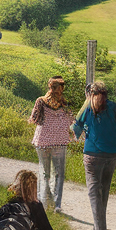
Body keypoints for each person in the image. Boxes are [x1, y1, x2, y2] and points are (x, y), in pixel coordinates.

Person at [72, 80, 116, 230]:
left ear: (90, 94)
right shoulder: (114, 106)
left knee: (93, 193)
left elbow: (76, 129)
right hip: (112, 153)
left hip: (92, 155)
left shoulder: (87, 107)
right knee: (104, 191)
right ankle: (101, 227)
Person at [29, 76, 73, 212]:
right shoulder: (65, 103)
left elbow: (34, 119)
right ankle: (57, 205)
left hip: (42, 142)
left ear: (49, 87)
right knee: (59, 174)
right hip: (60, 142)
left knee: (44, 173)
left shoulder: (40, 101)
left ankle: (43, 204)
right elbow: (71, 121)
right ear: (62, 88)